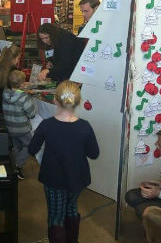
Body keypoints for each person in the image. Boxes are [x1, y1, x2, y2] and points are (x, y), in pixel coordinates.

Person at [28, 80, 99, 243]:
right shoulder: (85, 127)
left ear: (55, 100)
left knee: (55, 216)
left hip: (54, 179)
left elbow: (32, 150)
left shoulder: (46, 125)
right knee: (71, 208)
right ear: (79, 101)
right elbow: (94, 154)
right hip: (78, 178)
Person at [3, 70, 36, 180]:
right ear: (22, 84)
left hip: (10, 127)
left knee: (17, 146)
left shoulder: (5, 93)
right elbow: (32, 114)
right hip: (22, 129)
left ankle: (14, 167)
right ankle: (17, 165)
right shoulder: (24, 97)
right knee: (30, 146)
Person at [0, 44, 21, 115]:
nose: (18, 61)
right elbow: (15, 86)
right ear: (13, 58)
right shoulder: (13, 70)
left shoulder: (0, 66)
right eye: (18, 58)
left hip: (1, 101)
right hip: (10, 102)